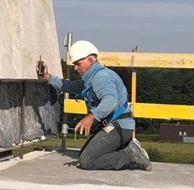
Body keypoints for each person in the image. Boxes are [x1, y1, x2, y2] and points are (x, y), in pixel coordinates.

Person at [41, 40, 152, 171]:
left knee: (88, 161)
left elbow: (110, 101)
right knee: (85, 156)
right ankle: (125, 149)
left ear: (90, 60)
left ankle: (131, 155)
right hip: (113, 126)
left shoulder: (101, 77)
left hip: (119, 126)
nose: (75, 68)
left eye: (78, 63)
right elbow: (69, 86)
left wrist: (91, 116)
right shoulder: (89, 79)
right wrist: (48, 77)